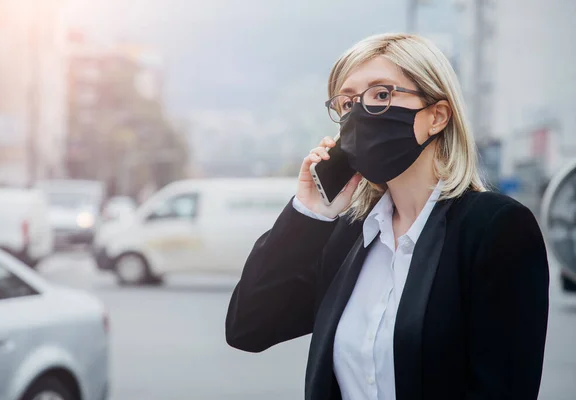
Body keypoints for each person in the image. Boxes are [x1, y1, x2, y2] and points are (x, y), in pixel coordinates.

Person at [225, 33, 549, 400]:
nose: (361, 114)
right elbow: (248, 327)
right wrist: (310, 215)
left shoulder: (495, 228)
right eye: (347, 103)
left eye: (381, 94)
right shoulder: (347, 236)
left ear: (437, 116)